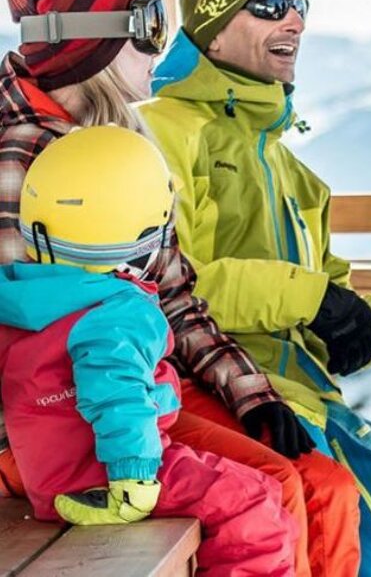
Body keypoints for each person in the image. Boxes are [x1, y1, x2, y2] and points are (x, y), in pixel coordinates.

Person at [0, 0, 360, 577]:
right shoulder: (27, 157)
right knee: (276, 486)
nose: (162, 51)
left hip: (136, 380)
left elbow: (173, 291)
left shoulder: (116, 141)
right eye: (146, 30)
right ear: (97, 49)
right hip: (70, 413)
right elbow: (27, 331)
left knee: (324, 484)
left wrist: (249, 394)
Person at [139, 0, 371, 576]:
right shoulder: (163, 131)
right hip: (218, 390)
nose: (295, 23)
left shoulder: (289, 171)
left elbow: (331, 318)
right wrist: (311, 298)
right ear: (214, 27)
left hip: (306, 403)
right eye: (270, 7)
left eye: (300, 8)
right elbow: (168, 280)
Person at [0, 125, 298, 576]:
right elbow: (118, 395)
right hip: (107, 475)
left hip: (45, 471)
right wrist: (134, 476)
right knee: (256, 501)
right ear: (149, 230)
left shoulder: (21, 300)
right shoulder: (119, 309)